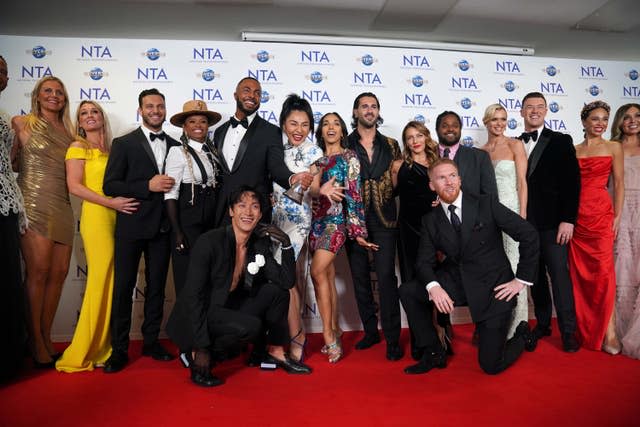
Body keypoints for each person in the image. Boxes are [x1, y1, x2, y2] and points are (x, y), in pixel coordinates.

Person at [399, 159, 539, 375]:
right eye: (441, 178)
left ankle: (522, 335)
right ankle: (435, 351)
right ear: (432, 185)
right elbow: (423, 262)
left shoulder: (486, 204)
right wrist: (434, 287)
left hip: (494, 287)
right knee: (409, 290)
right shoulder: (430, 219)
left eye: (453, 176)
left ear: (460, 179)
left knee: (491, 366)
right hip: (457, 280)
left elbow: (528, 235)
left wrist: (520, 280)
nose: (449, 182)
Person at [166, 186, 312, 387]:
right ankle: (194, 354)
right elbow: (193, 297)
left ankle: (273, 351)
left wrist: (286, 244)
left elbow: (286, 282)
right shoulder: (209, 242)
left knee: (277, 293)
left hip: (226, 306)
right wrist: (201, 347)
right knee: (251, 326)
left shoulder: (258, 244)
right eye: (241, 206)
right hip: (201, 312)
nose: (248, 212)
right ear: (231, 211)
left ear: (260, 214)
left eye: (254, 207)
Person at [56, 101, 139, 372]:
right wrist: (111, 203)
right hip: (97, 217)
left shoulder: (113, 149)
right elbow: (75, 186)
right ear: (79, 122)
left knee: (114, 281)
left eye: (94, 112)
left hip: (119, 217)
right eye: (84, 113)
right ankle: (83, 348)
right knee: (100, 280)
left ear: (102, 118)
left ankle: (105, 346)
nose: (90, 116)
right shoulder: (77, 147)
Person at [102, 88, 180, 373]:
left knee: (157, 289)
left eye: (160, 106)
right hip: (131, 225)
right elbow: (110, 186)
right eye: (150, 106)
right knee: (123, 289)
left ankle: (151, 342)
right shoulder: (123, 143)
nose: (155, 111)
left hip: (162, 228)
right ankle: (119, 350)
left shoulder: (175, 144)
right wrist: (146, 186)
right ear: (140, 110)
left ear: (165, 109)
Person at [12, 76, 74, 368]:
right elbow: (10, 162)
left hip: (62, 204)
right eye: (48, 91)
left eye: (59, 92)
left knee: (59, 273)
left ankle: (46, 337)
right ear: (37, 96)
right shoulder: (20, 123)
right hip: (33, 203)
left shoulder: (71, 131)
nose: (54, 96)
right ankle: (34, 341)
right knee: (38, 272)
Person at [519, 91, 581, 352]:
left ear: (546, 111)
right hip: (524, 225)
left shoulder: (560, 140)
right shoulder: (514, 143)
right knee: (535, 277)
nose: (534, 111)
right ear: (521, 112)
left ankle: (568, 331)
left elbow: (572, 183)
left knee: (559, 275)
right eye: (529, 107)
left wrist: (568, 220)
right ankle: (543, 324)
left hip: (554, 223)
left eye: (539, 107)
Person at [308, 112, 370, 363]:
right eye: (325, 124)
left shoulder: (350, 157)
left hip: (336, 223)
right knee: (325, 276)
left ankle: (328, 335)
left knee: (317, 270)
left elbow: (355, 195)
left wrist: (358, 231)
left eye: (336, 123)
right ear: (320, 131)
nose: (331, 127)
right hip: (316, 224)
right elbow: (311, 194)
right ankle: (335, 327)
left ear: (343, 130)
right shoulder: (316, 160)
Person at [346, 92, 403, 361]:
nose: (369, 110)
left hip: (385, 220)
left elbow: (402, 180)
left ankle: (392, 337)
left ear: (378, 111)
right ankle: (370, 331)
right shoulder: (344, 144)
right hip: (353, 220)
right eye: (364, 106)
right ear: (355, 111)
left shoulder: (391, 145)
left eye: (373, 106)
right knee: (359, 279)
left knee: (387, 278)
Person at [164, 99, 222, 367]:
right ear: (184, 126)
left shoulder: (212, 152)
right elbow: (171, 194)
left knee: (206, 286)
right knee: (189, 287)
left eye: (203, 121)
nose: (198, 126)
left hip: (210, 224)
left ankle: (205, 342)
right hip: (188, 224)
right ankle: (186, 344)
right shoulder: (177, 152)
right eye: (192, 121)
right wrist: (177, 232)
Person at [434, 110, 497, 348]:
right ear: (437, 129)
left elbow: (489, 195)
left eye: (454, 125)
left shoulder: (478, 157)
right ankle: (443, 328)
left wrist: (485, 229)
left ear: (460, 129)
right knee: (441, 279)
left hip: (474, 232)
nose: (450, 128)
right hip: (440, 232)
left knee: (478, 281)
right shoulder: (428, 156)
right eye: (445, 125)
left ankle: (483, 326)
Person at [213, 77, 312, 226]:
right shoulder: (219, 131)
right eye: (247, 90)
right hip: (223, 212)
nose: (252, 96)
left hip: (254, 213)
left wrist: (291, 179)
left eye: (257, 93)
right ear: (235, 95)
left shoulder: (271, 132)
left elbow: (276, 166)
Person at [568, 100, 624, 354]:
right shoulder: (573, 150)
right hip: (577, 216)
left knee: (603, 274)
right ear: (584, 122)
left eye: (604, 119)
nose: (600, 124)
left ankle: (610, 332)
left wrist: (617, 217)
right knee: (580, 276)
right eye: (595, 119)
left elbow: (619, 184)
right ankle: (588, 330)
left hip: (602, 214)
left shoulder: (614, 147)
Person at [271, 94, 322, 362]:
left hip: (298, 222)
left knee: (289, 281)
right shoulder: (277, 150)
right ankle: (286, 334)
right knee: (282, 283)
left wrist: (314, 184)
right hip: (275, 220)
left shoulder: (313, 151)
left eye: (304, 124)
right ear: (283, 124)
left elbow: (314, 187)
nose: (298, 130)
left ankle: (297, 336)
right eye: (293, 123)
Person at [480, 104, 529, 339]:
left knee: (515, 265)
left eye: (503, 119)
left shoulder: (515, 145)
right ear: (486, 122)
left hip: (512, 211)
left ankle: (518, 326)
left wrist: (523, 218)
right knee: (495, 268)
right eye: (494, 119)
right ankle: (496, 323)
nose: (499, 123)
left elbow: (522, 182)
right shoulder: (481, 151)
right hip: (489, 217)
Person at [0, 54, 27, 380]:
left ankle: (7, 358)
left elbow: (10, 163)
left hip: (7, 203)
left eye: (5, 71)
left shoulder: (6, 115)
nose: (3, 76)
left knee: (7, 279)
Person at [611, 102, 640, 359]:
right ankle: (621, 331)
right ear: (619, 121)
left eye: (637, 116)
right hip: (620, 215)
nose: (632, 120)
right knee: (624, 271)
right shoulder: (613, 148)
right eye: (627, 117)